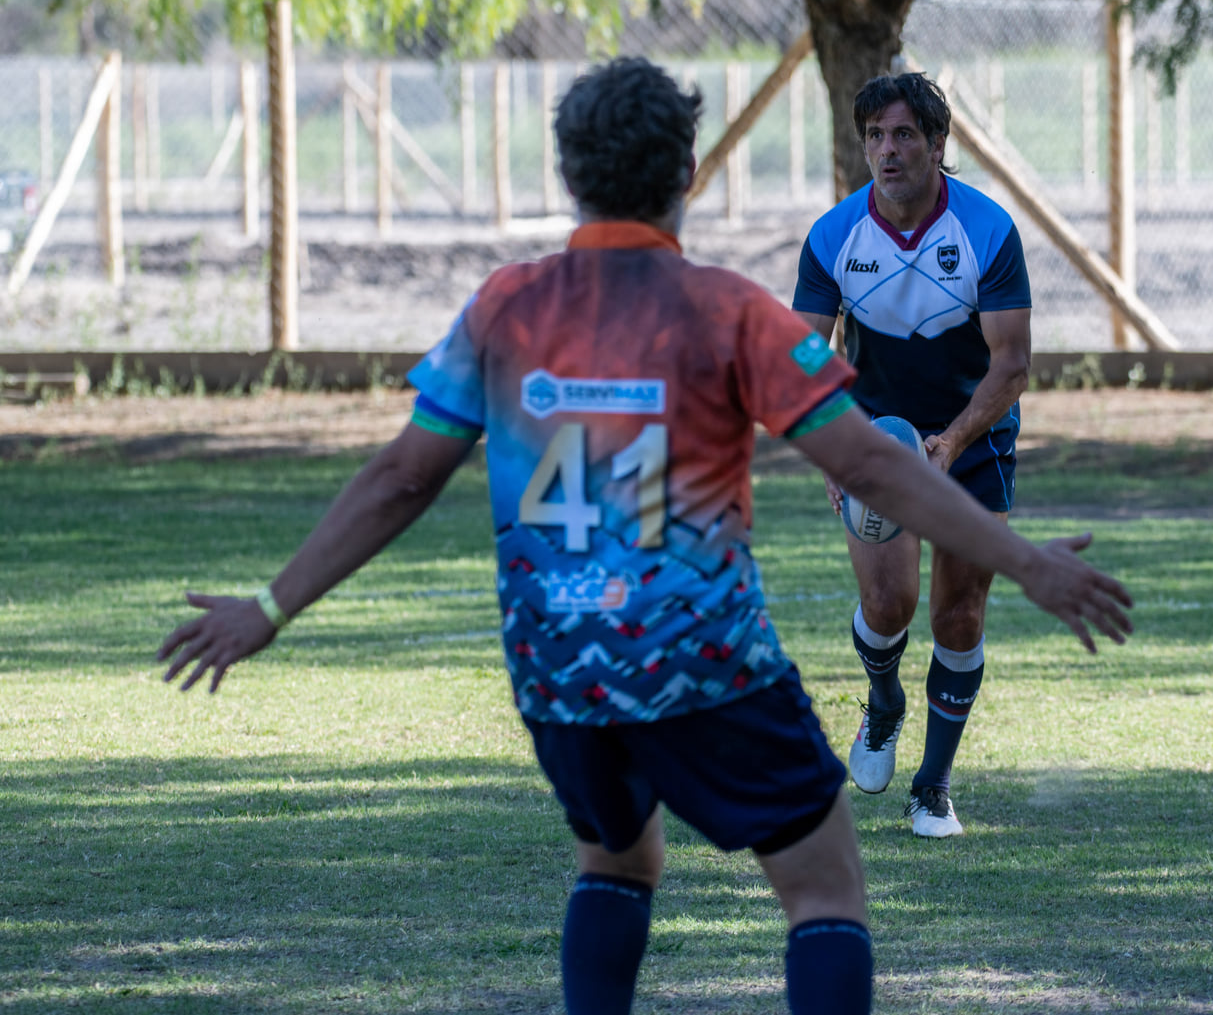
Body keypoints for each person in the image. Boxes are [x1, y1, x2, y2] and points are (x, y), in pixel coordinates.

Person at [155, 57, 1132, 1015]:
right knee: (825, 884)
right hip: (702, 663)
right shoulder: (728, 310)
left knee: (617, 859)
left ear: (568, 174)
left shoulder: (503, 305)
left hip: (559, 665)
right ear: (688, 174)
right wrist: (1027, 561)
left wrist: (270, 607)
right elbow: (871, 464)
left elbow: (401, 475)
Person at [792, 71, 1031, 839]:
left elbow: (1011, 364)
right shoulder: (833, 236)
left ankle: (932, 785)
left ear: (936, 144)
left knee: (958, 614)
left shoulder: (987, 231)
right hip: (875, 440)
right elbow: (803, 361)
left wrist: (953, 441)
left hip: (973, 435)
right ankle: (884, 699)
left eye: (902, 135)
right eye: (873, 136)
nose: (886, 151)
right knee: (887, 606)